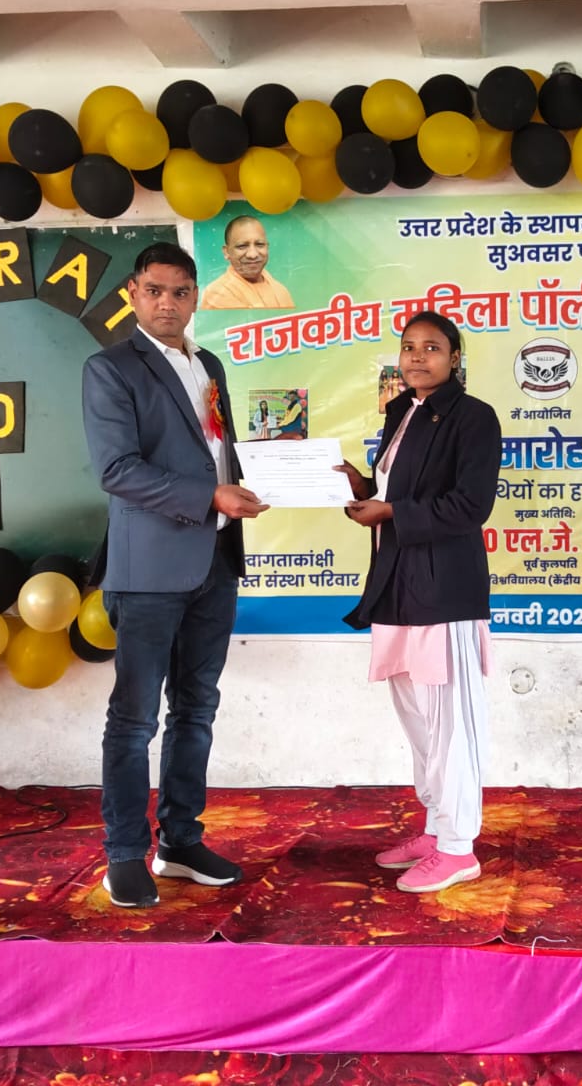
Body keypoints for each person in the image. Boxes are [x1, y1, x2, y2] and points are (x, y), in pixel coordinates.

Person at [81, 242, 269, 909]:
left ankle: (180, 841)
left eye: (181, 292)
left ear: (195, 298)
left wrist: (272, 479)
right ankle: (124, 854)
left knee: (196, 708)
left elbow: (218, 451)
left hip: (215, 560)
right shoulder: (109, 369)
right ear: (133, 294)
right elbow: (117, 470)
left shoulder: (208, 363)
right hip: (149, 569)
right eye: (155, 291)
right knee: (134, 720)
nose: (168, 303)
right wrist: (209, 497)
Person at [334, 312, 501, 894]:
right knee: (418, 721)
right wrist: (362, 488)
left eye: (432, 348)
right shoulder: (401, 411)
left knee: (452, 723)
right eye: (409, 347)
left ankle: (458, 849)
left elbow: (470, 506)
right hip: (396, 581)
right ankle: (436, 828)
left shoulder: (474, 417)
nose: (417, 357)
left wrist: (391, 512)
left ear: (455, 358)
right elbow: (396, 493)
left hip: (444, 589)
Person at [201, 216, 294, 309]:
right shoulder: (217, 293)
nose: (252, 255)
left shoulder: (281, 291)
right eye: (242, 246)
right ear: (227, 252)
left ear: (267, 247)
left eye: (260, 244)